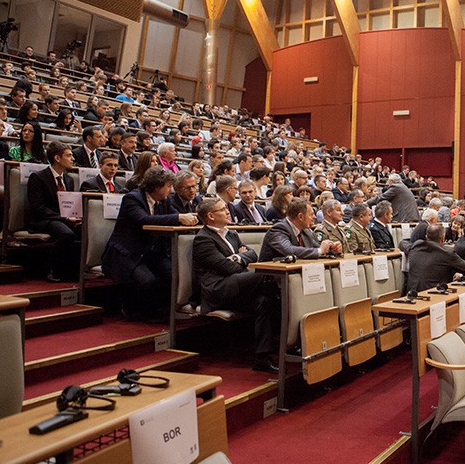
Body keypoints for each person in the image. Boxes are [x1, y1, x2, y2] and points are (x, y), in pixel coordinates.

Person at [193, 197, 280, 373]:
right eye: (223, 209)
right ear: (211, 216)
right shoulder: (203, 239)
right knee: (269, 276)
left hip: (237, 286)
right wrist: (241, 258)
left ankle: (262, 358)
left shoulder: (231, 234)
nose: (228, 211)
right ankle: (285, 324)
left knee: (264, 301)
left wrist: (237, 257)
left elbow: (253, 254)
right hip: (218, 289)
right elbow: (228, 268)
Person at [102, 167, 198, 321]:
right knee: (148, 281)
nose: (170, 190)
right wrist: (179, 217)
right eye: (168, 186)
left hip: (151, 252)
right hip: (127, 252)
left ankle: (159, 309)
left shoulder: (164, 201)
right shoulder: (132, 199)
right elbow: (144, 220)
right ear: (156, 186)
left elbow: (174, 215)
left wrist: (189, 217)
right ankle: (135, 310)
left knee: (174, 275)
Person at [26, 141, 81, 281]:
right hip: (43, 219)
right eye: (69, 155)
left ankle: (74, 271)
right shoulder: (38, 177)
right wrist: (65, 218)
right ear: (57, 158)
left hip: (61, 219)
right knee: (67, 234)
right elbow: (39, 208)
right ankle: (52, 269)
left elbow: (69, 205)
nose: (73, 159)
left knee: (83, 230)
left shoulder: (68, 179)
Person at [258, 197, 343, 261]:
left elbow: (315, 248)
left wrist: (331, 250)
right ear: (301, 217)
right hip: (272, 276)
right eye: (311, 214)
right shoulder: (278, 229)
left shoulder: (305, 231)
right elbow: (288, 250)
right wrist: (320, 250)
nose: (314, 217)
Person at [406, 224, 465, 292]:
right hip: (433, 293)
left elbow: (402, 243)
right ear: (443, 239)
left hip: (411, 293)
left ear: (426, 237)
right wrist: (459, 274)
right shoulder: (447, 253)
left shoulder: (416, 245)